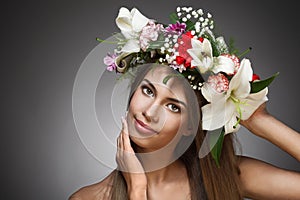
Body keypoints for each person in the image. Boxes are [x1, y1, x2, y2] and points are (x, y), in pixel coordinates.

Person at [69, 6, 300, 200]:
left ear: (191, 125)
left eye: (173, 106)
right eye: (148, 91)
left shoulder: (227, 177)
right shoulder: (89, 197)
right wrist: (137, 190)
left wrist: (261, 120)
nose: (149, 112)